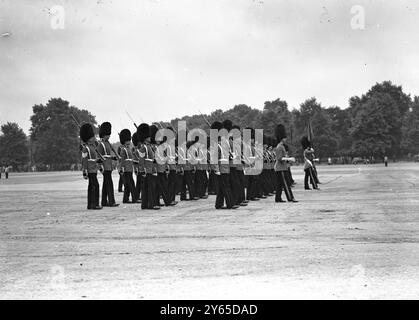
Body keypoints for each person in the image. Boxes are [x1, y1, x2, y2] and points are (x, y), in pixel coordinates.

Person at [137, 123, 160, 210]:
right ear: (145, 137)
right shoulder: (144, 148)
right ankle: (150, 204)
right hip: (147, 170)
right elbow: (141, 160)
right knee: (149, 187)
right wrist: (142, 170)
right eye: (148, 136)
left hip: (150, 169)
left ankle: (146, 204)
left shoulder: (148, 147)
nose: (150, 137)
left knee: (148, 187)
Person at [80, 123, 102, 210]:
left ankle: (91, 204)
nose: (94, 138)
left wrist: (97, 161)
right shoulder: (86, 148)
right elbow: (84, 160)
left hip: (94, 169)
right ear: (89, 138)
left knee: (92, 186)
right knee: (94, 186)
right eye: (92, 137)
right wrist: (84, 171)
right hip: (89, 169)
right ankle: (93, 204)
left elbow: (93, 158)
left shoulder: (92, 147)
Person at [97, 122, 119, 207]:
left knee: (106, 184)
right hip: (105, 166)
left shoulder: (107, 143)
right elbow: (99, 156)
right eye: (107, 135)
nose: (109, 136)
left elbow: (108, 155)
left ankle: (104, 202)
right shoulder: (101, 144)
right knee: (109, 184)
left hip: (109, 166)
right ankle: (111, 201)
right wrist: (100, 167)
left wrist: (113, 158)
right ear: (104, 135)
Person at [274, 124, 298, 203]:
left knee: (279, 184)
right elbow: (279, 158)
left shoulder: (281, 146)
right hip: (281, 168)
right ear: (282, 138)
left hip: (281, 167)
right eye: (284, 137)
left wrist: (288, 159)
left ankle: (278, 198)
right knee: (286, 183)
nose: (286, 139)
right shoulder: (279, 147)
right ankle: (290, 197)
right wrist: (289, 159)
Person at [119, 128, 139, 204]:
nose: (129, 141)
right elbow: (122, 160)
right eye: (128, 140)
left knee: (127, 185)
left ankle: (125, 199)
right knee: (131, 184)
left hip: (130, 168)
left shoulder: (129, 149)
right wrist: (122, 168)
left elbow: (131, 159)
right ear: (125, 140)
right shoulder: (123, 149)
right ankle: (135, 198)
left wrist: (135, 163)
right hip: (126, 169)